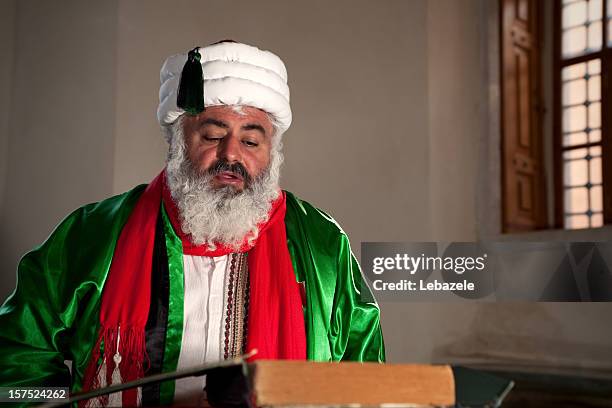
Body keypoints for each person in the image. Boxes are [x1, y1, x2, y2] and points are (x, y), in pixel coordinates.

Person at [0, 41, 385, 406]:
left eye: (251, 142)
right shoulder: (93, 235)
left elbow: (366, 379)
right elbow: (17, 359)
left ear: (272, 152)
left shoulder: (321, 246)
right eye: (213, 135)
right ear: (177, 141)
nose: (230, 154)